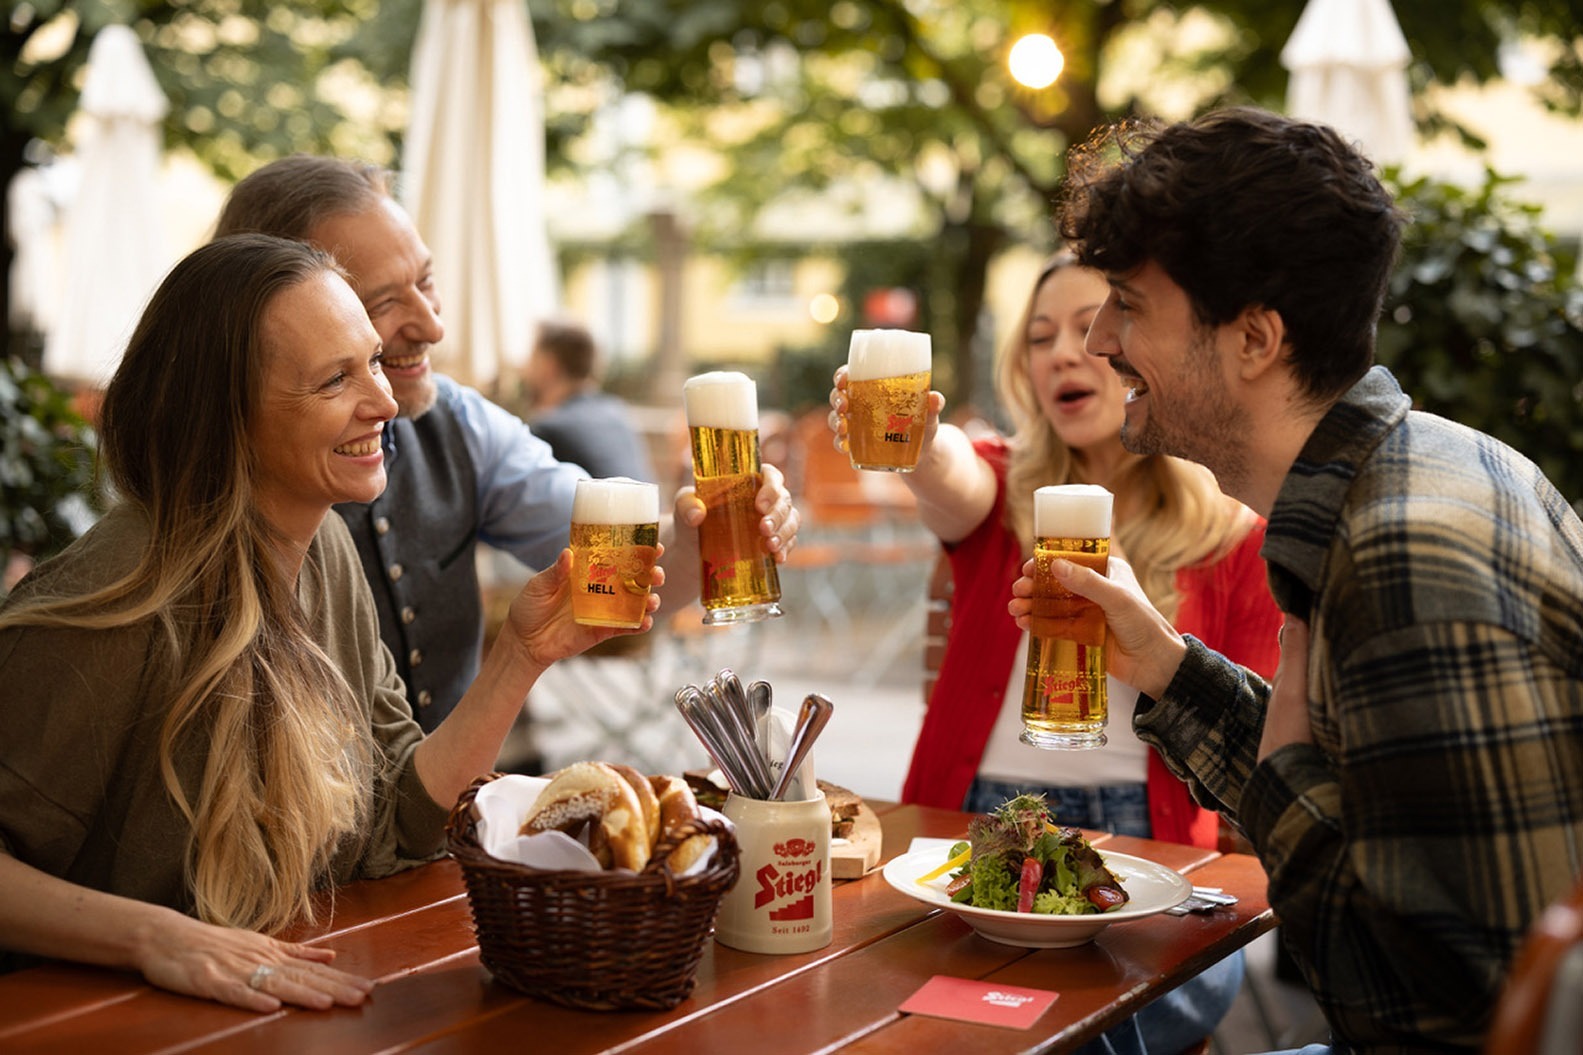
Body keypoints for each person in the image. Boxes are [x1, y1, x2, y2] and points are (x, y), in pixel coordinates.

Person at [1010, 106, 1583, 1054]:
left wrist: (1280, 783)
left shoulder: (1407, 560)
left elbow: (1447, 1007)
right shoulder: (1432, 464)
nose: (1101, 341)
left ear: (1253, 339)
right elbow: (1380, 824)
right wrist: (1164, 664)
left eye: (1129, 304)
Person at [0, 235, 659, 1010]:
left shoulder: (326, 553)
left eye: (373, 361)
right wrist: (156, 936)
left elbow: (398, 817)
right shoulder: (114, 598)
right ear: (225, 418)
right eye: (334, 379)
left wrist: (518, 655)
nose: (383, 401)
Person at [828, 256, 1281, 1055]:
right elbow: (949, 476)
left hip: (1154, 849)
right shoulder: (1003, 489)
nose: (1062, 352)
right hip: (971, 829)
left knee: (1070, 1019)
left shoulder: (1235, 537)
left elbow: (1259, 763)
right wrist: (917, 444)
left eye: (1089, 326)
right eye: (1040, 336)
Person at [212, 157, 798, 733]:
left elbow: (621, 577)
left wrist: (704, 536)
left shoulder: (460, 423)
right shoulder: (206, 487)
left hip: (453, 812)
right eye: (381, 303)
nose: (433, 326)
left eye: (426, 281)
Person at [522, 318, 657, 483]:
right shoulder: (616, 412)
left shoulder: (549, 429)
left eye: (531, 358)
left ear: (549, 366)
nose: (524, 368)